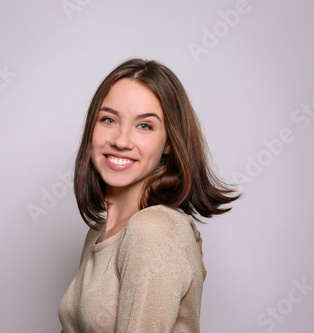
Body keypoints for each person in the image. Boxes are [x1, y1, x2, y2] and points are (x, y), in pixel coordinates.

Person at [58, 58, 239, 332]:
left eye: (144, 126)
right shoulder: (98, 233)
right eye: (109, 119)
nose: (121, 141)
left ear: (169, 142)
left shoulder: (153, 230)